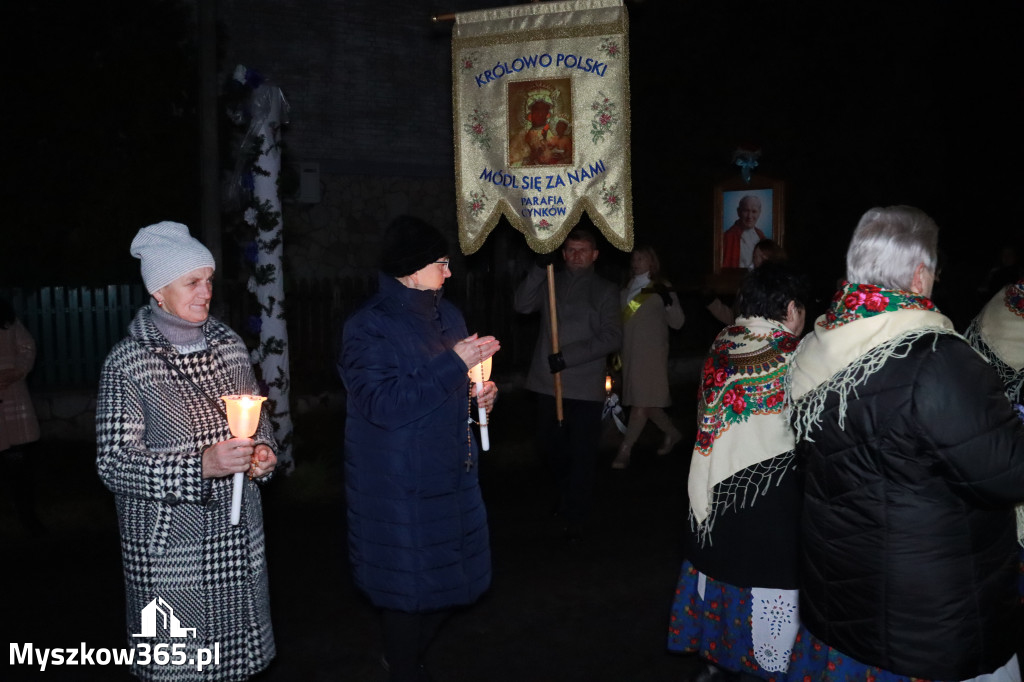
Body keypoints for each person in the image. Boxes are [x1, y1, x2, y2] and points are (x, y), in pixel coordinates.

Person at [787, 206, 1024, 681]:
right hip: (930, 616)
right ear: (919, 276)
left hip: (843, 591)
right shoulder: (936, 360)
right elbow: (1009, 472)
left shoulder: (817, 344)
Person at [96, 221, 278, 681]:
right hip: (171, 546)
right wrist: (201, 466)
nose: (205, 292)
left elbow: (257, 419)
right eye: (192, 282)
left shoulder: (230, 345)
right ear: (159, 290)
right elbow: (114, 464)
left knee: (235, 669)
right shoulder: (129, 361)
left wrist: (262, 455)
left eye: (209, 281)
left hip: (235, 538)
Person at [339, 215, 499, 682]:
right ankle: (403, 666)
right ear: (410, 270)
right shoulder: (368, 327)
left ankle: (403, 658)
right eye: (441, 263)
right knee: (407, 593)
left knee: (452, 584)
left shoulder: (447, 315)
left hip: (450, 473)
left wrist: (480, 394)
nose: (449, 273)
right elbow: (381, 403)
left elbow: (454, 385)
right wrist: (454, 365)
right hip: (398, 486)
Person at [668, 262, 809, 681]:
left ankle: (718, 657)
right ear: (789, 309)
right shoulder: (794, 355)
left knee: (725, 575)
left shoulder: (725, 339)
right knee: (767, 586)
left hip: (717, 489)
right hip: (771, 496)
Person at [513, 227, 621, 540]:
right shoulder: (551, 280)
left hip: (584, 386)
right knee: (549, 447)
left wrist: (569, 356)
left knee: (582, 452)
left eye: (582, 250)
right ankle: (567, 492)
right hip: (549, 383)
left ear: (595, 255)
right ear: (562, 253)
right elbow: (521, 305)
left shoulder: (604, 289)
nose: (575, 256)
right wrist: (537, 266)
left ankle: (577, 511)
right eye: (570, 250)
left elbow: (613, 336)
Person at [611, 245, 685, 469]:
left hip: (652, 355)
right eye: (634, 258)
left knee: (641, 404)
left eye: (641, 258)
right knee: (647, 403)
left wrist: (668, 301)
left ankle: (625, 450)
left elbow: (678, 322)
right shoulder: (624, 290)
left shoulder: (662, 287)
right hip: (630, 354)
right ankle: (673, 433)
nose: (636, 262)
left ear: (652, 262)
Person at [0, 296, 44, 536]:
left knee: (19, 467)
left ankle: (29, 519)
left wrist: (18, 370)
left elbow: (27, 346)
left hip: (13, 397)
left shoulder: (8, 321)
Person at [722, 195, 767, 269]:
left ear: (759, 213)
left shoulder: (760, 235)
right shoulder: (728, 237)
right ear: (738, 212)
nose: (749, 216)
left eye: (754, 211)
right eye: (746, 211)